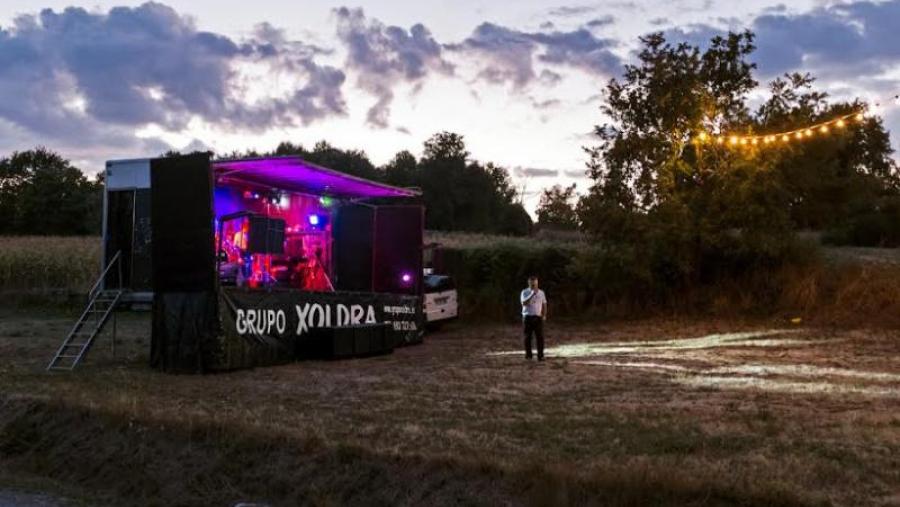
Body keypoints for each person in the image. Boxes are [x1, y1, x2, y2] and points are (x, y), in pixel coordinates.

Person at [520, 276, 547, 361]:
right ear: (529, 283)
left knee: (540, 337)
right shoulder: (524, 292)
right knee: (528, 337)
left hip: (538, 317)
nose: (534, 286)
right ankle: (528, 355)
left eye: (535, 284)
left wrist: (544, 315)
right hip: (528, 317)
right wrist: (532, 294)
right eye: (532, 284)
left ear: (537, 283)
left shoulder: (541, 293)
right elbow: (524, 303)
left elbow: (544, 304)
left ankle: (540, 355)